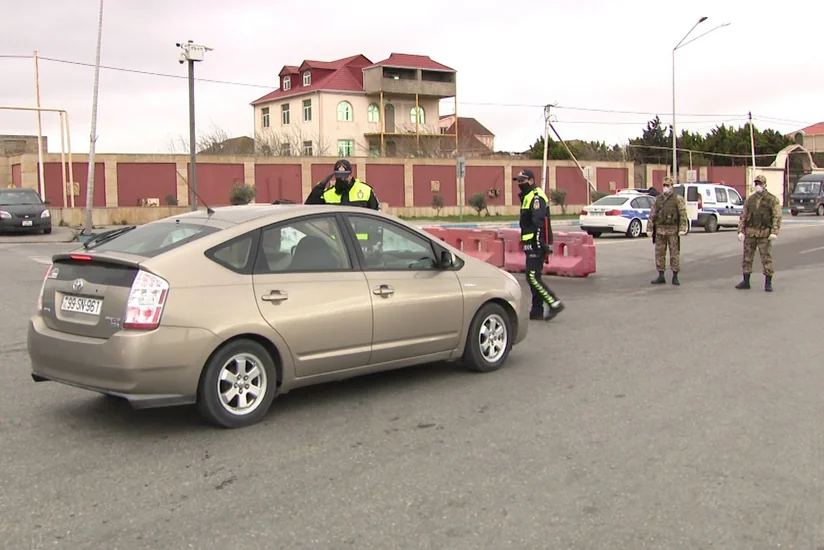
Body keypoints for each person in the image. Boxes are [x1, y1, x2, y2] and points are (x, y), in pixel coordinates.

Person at [515, 169, 565, 321]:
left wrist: (540, 243)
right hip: (530, 241)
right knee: (534, 276)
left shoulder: (536, 197)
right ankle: (537, 310)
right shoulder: (528, 196)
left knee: (532, 277)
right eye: (518, 181)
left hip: (537, 242)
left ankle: (554, 302)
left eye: (522, 180)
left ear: (530, 180)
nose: (519, 183)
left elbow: (539, 222)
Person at [735, 174, 781, 292]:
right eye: (756, 184)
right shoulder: (750, 199)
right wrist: (740, 231)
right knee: (747, 258)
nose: (758, 186)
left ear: (765, 185)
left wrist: (774, 232)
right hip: (750, 233)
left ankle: (768, 282)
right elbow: (743, 216)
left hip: (764, 234)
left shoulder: (772, 199)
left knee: (766, 258)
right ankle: (746, 281)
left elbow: (777, 216)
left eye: (760, 183)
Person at [648, 176, 688, 285]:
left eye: (668, 185)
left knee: (674, 254)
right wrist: (649, 228)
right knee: (659, 254)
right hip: (660, 230)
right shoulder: (658, 199)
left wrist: (682, 228)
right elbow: (652, 214)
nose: (665, 187)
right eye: (664, 185)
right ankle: (661, 275)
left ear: (672, 187)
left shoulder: (677, 199)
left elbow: (683, 214)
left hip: (672, 231)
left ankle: (675, 276)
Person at [304, 159, 380, 210]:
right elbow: (308, 207)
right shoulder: (328, 194)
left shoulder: (365, 190)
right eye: (339, 176)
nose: (342, 179)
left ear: (350, 175)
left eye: (345, 176)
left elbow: (377, 214)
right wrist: (319, 187)